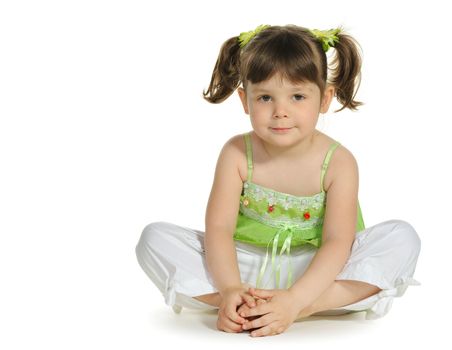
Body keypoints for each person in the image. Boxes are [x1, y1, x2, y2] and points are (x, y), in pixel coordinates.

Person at [135, 24, 421, 337]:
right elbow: (219, 229)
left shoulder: (339, 163)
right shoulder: (236, 153)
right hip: (245, 266)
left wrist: (298, 298)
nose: (280, 112)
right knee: (154, 239)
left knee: (402, 238)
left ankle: (301, 307)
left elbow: (337, 242)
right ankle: (236, 304)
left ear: (324, 99)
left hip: (318, 272)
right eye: (266, 98)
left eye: (297, 96)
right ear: (245, 100)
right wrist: (230, 287)